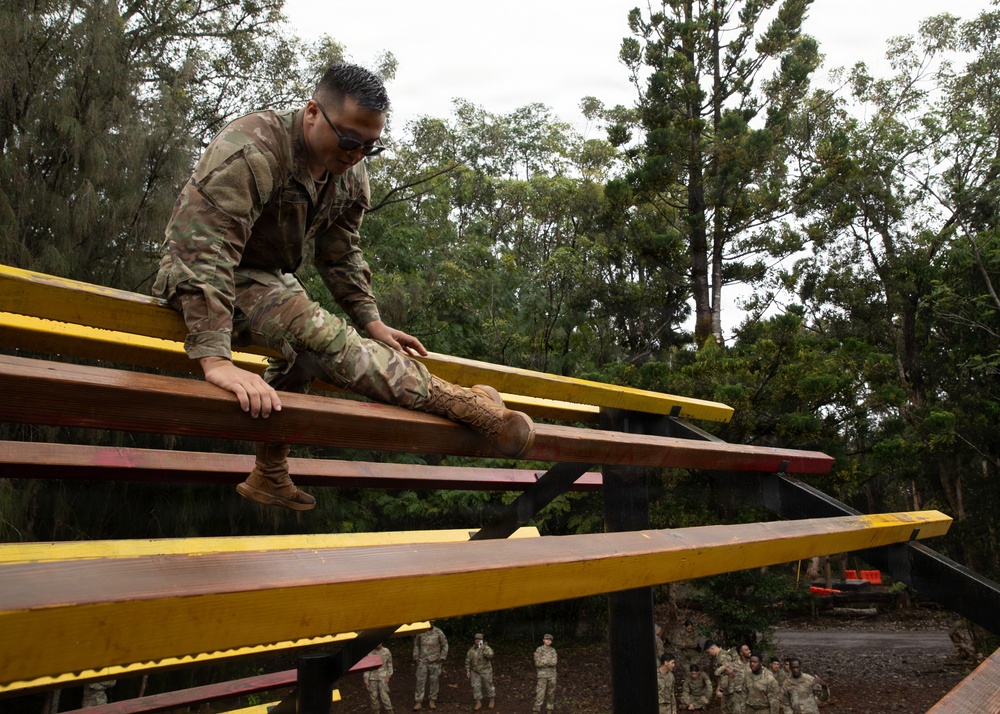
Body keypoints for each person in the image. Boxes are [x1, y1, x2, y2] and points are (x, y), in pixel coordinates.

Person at [153, 62, 535, 511]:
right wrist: (215, 360)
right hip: (203, 276)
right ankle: (468, 405)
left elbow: (340, 253)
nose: (357, 153)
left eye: (370, 146)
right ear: (314, 112)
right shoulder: (251, 149)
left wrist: (372, 321)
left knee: (309, 351)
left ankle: (269, 474)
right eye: (350, 139)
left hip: (269, 280)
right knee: (322, 337)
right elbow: (203, 251)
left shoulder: (350, 172)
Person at [413, 621, 449, 710]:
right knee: (420, 681)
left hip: (435, 661)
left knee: (434, 680)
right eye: (429, 621)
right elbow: (416, 645)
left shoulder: (438, 632)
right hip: (423, 660)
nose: (431, 623)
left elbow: (445, 644)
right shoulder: (420, 632)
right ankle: (418, 701)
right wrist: (415, 657)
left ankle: (432, 700)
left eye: (433, 622)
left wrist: (442, 657)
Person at [465, 633, 495, 710]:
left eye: (479, 639)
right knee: (476, 687)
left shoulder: (486, 648)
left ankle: (491, 699)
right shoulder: (471, 650)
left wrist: (483, 649)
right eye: (476, 639)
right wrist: (468, 671)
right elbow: (468, 661)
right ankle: (478, 702)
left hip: (486, 671)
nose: (477, 640)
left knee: (489, 685)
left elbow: (491, 655)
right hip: (475, 672)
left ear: (482, 640)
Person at [364, 643, 394, 713]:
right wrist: (366, 680)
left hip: (383, 677)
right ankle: (376, 711)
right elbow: (366, 668)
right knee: (373, 696)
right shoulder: (369, 653)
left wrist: (388, 676)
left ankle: (390, 710)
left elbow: (390, 665)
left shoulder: (386, 651)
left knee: (384, 695)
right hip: (372, 677)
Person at [533, 633, 557, 713]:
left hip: (552, 675)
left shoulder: (553, 650)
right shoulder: (539, 650)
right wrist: (548, 662)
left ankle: (549, 709)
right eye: (547, 639)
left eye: (550, 640)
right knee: (540, 694)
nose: (548, 641)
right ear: (543, 640)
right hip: (542, 675)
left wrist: (543, 662)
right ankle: (536, 710)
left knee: (551, 693)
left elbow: (554, 662)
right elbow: (537, 663)